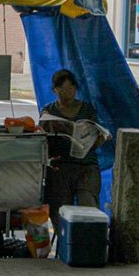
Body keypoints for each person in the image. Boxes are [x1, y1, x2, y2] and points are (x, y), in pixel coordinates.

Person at [40, 69, 104, 233]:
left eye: (70, 89)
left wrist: (99, 138)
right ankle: (63, 238)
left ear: (76, 89)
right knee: (59, 205)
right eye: (62, 90)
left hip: (86, 165)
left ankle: (87, 239)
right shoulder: (49, 110)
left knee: (87, 202)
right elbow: (41, 140)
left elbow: (97, 136)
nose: (67, 94)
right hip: (60, 165)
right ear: (55, 90)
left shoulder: (87, 109)